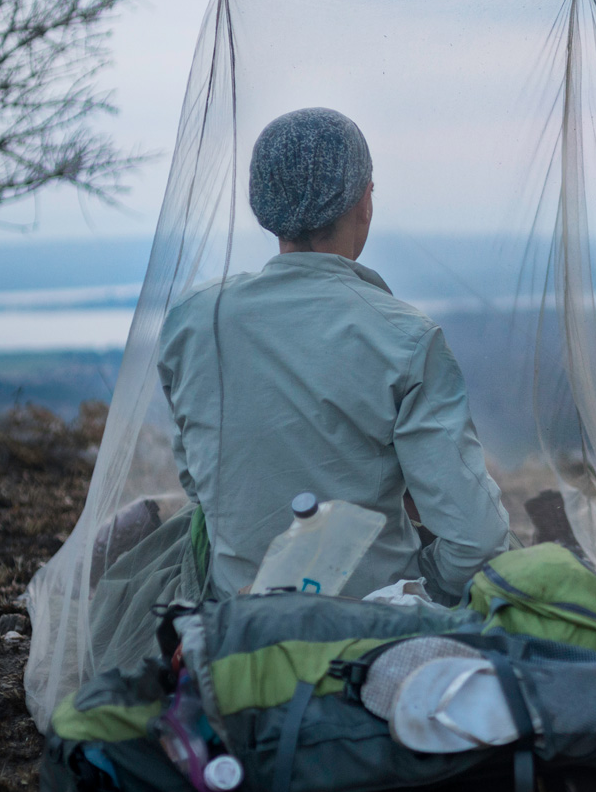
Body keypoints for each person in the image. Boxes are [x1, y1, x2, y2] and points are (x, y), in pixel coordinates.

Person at [156, 106, 512, 604]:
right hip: (368, 626)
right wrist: (423, 582)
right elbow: (479, 542)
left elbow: (199, 484)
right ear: (363, 201)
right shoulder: (405, 339)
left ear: (264, 206)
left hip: (234, 621)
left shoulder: (193, 321)